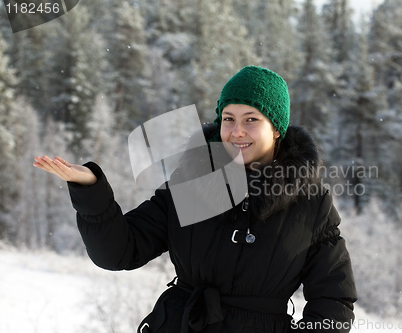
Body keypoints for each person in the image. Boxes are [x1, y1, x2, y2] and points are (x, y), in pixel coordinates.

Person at [33, 65, 357, 333]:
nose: (236, 131)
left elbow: (333, 302)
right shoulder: (194, 181)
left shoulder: (310, 203)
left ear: (276, 129)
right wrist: (90, 190)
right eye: (228, 118)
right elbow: (120, 252)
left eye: (251, 119)